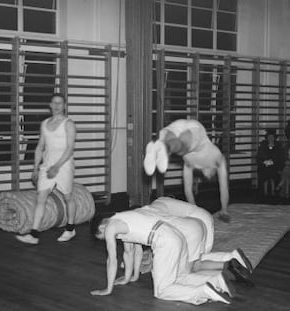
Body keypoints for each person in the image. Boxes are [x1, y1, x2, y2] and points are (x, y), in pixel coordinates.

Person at [90, 207, 251, 305]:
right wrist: (129, 278)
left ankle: (203, 292)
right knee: (180, 276)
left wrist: (108, 289)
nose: (108, 238)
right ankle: (217, 281)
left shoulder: (111, 226)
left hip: (164, 240)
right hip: (175, 235)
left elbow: (112, 259)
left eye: (103, 237)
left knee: (162, 291)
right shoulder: (124, 218)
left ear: (103, 225)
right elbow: (131, 252)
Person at [16, 93, 76, 245]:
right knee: (41, 198)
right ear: (50, 105)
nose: (56, 106)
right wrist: (35, 168)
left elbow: (70, 149)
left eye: (60, 103)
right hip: (47, 165)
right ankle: (34, 234)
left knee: (68, 197)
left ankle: (70, 228)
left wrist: (57, 167)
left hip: (64, 165)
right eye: (54, 103)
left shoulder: (68, 124)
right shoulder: (44, 124)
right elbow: (40, 146)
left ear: (64, 106)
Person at [143, 119, 230, 222]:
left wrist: (194, 211)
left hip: (177, 125)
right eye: (213, 175)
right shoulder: (219, 161)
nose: (210, 177)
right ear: (215, 170)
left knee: (175, 146)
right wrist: (224, 210)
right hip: (196, 130)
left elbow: (188, 190)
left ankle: (160, 148)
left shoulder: (190, 164)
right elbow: (224, 188)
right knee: (183, 147)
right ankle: (163, 148)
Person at [257, 129, 284, 197]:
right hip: (264, 165)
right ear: (267, 137)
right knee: (264, 173)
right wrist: (265, 161)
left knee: (273, 174)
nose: (270, 138)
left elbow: (280, 156)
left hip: (275, 165)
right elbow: (260, 155)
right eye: (269, 137)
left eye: (272, 137)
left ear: (275, 137)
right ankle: (264, 192)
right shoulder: (263, 144)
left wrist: (272, 161)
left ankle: (273, 191)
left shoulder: (278, 145)